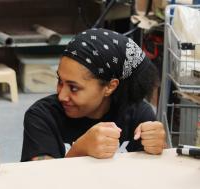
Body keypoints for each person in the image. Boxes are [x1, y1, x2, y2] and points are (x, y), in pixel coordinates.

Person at [21, 28, 166, 161]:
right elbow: (41, 181)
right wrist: (80, 150)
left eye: (74, 88)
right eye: (60, 81)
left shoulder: (138, 115)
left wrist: (158, 145)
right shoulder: (42, 116)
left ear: (110, 86)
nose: (61, 96)